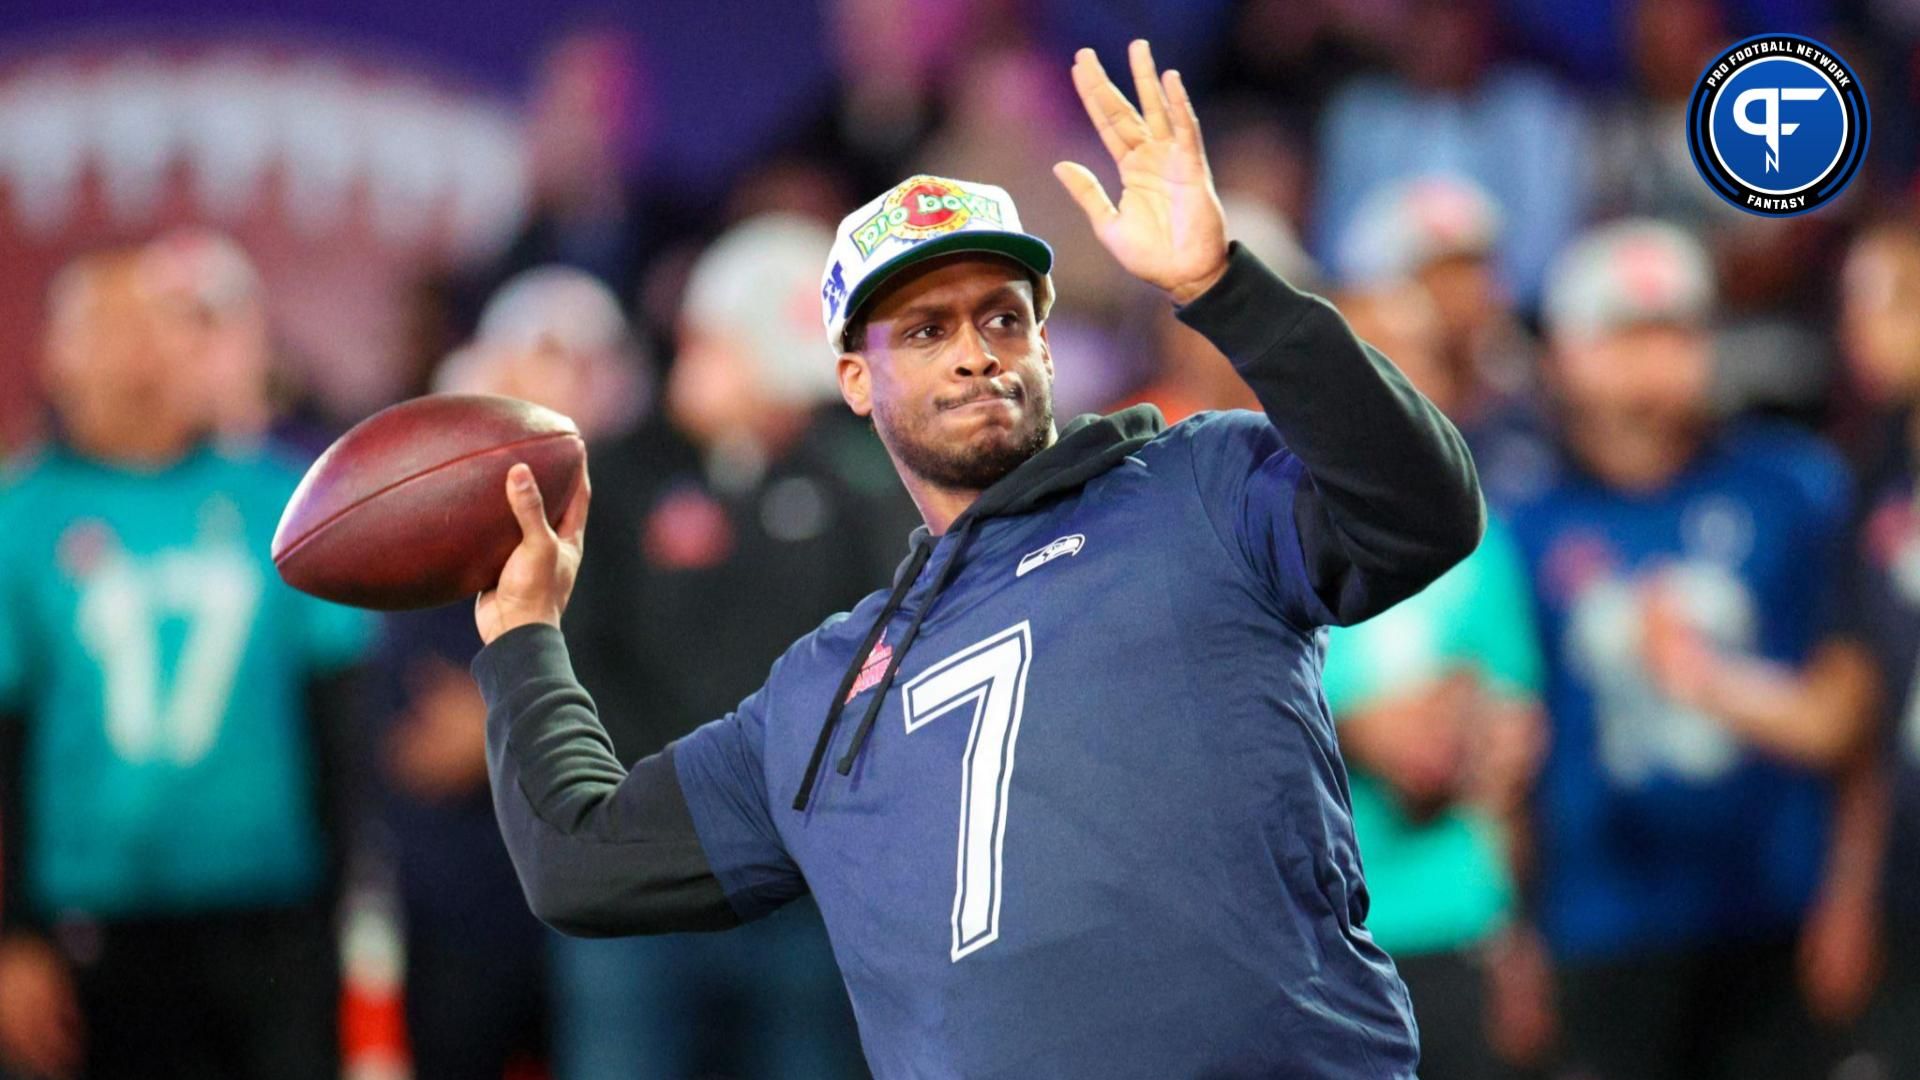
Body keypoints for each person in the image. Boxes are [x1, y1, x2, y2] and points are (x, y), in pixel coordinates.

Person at [471, 40, 1481, 1078]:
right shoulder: (820, 690)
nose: (973, 350)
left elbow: (1421, 511)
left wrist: (1226, 287)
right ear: (855, 381)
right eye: (923, 329)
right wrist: (522, 638)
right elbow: (580, 861)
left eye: (1004, 316)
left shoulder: (1198, 487)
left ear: (1046, 345)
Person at [1507, 220, 1876, 1080]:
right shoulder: (1520, 521)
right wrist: (1513, 933)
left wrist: (1852, 895)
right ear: (1564, 353)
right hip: (1596, 922)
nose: (1656, 362)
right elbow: (1516, 744)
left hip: (1772, 914)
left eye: (1678, 331)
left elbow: (1859, 716)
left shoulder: (1795, 487)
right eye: (1627, 334)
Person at [0, 251, 370, 1080]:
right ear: (55, 353)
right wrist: (11, 936)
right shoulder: (17, 517)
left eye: (160, 325)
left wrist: (344, 915)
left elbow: (339, 721)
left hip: (268, 916)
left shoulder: (287, 499)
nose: (140, 353)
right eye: (110, 328)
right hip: (86, 921)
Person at [546, 216, 884, 1079]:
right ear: (701, 339)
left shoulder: (852, 476)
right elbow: (572, 665)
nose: (787, 400)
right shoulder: (609, 479)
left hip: (801, 882)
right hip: (645, 878)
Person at [1320, 281, 1553, 1080]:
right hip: (1314, 947)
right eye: (1364, 355)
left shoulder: (1481, 545)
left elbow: (1511, 746)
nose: (1393, 376)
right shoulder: (1254, 540)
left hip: (1455, 926)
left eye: (1417, 355)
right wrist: (1354, 726)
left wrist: (1515, 936)